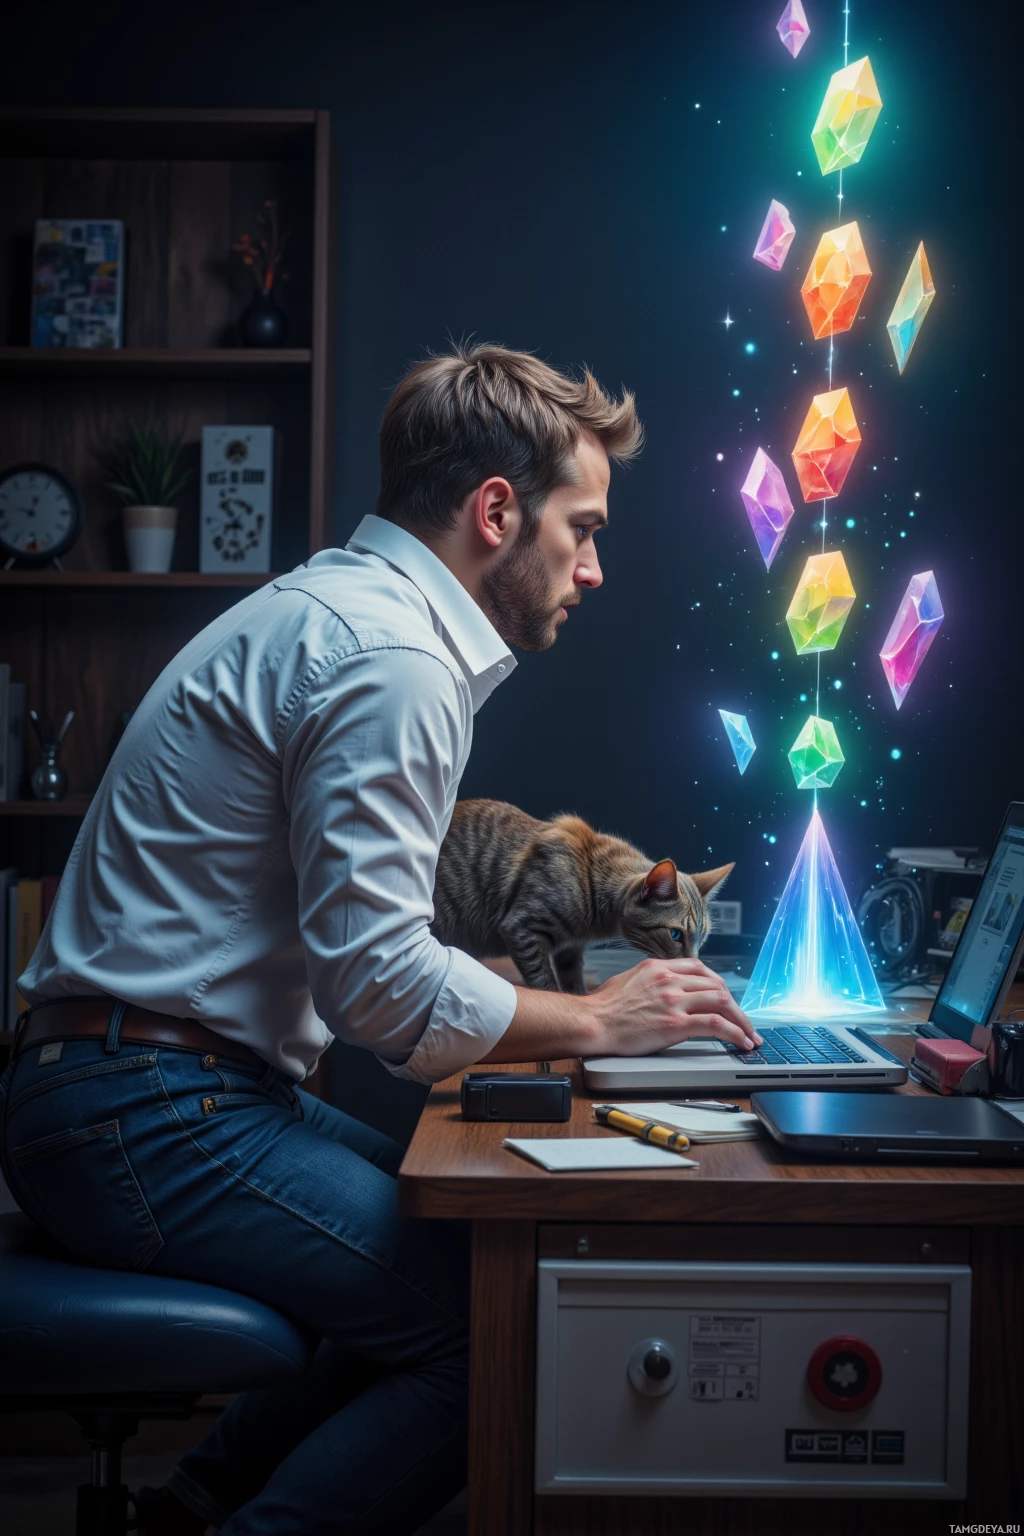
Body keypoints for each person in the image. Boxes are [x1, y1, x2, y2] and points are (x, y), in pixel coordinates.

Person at [0, 343, 760, 1535]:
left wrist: (514, 999)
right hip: (143, 1109)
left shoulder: (339, 610)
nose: (595, 567)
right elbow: (377, 984)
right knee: (502, 1320)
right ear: (496, 511)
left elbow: (372, 954)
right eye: (584, 526)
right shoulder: (395, 658)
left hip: (138, 1085)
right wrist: (600, 1019)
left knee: (455, 1259)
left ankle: (191, 1509)